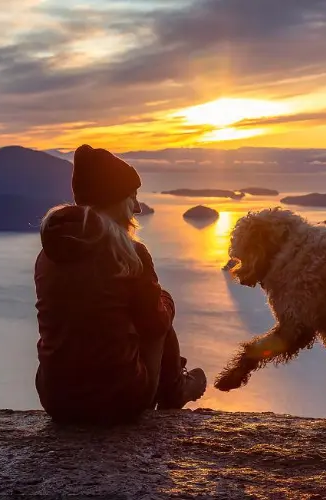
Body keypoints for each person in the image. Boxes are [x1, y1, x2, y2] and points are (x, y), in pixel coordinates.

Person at [33, 144, 207, 424]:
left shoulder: (48, 253)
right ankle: (174, 389)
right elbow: (154, 324)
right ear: (112, 199)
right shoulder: (129, 253)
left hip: (55, 399)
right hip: (119, 402)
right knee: (162, 306)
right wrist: (166, 304)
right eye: (132, 196)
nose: (137, 207)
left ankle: (172, 382)